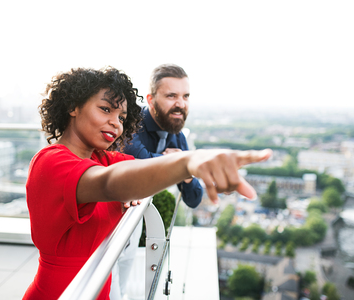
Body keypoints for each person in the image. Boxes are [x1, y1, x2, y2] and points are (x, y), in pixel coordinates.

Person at [23, 66, 272, 300]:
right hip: (63, 292)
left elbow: (137, 170)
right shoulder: (52, 162)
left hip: (97, 286)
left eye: (122, 117)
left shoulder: (101, 158)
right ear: (73, 106)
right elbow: (110, 183)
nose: (115, 123)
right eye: (105, 109)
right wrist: (188, 162)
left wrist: (159, 174)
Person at [123, 64, 202, 208]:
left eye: (185, 96)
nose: (181, 104)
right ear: (151, 100)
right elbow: (141, 163)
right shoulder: (130, 122)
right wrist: (180, 163)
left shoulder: (177, 137)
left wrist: (186, 171)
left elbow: (193, 200)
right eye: (171, 96)